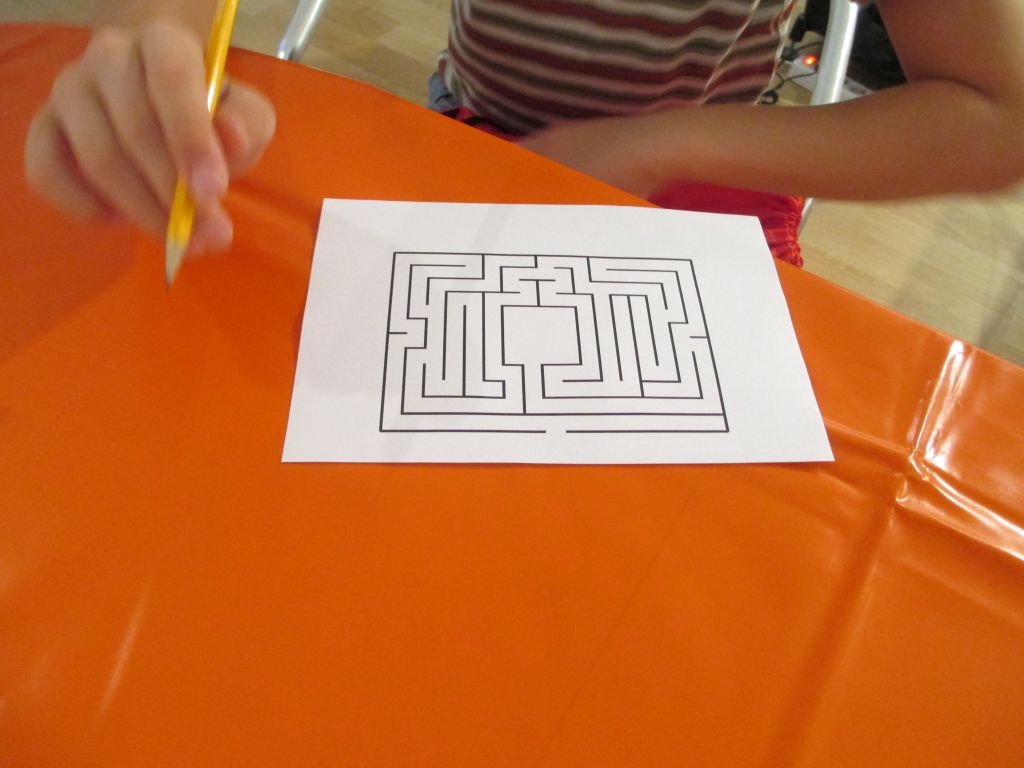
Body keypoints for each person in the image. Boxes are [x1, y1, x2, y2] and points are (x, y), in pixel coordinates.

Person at [24, 0, 1024, 260]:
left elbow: (996, 118)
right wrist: (154, 34)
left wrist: (664, 143)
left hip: (711, 177)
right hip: (477, 131)